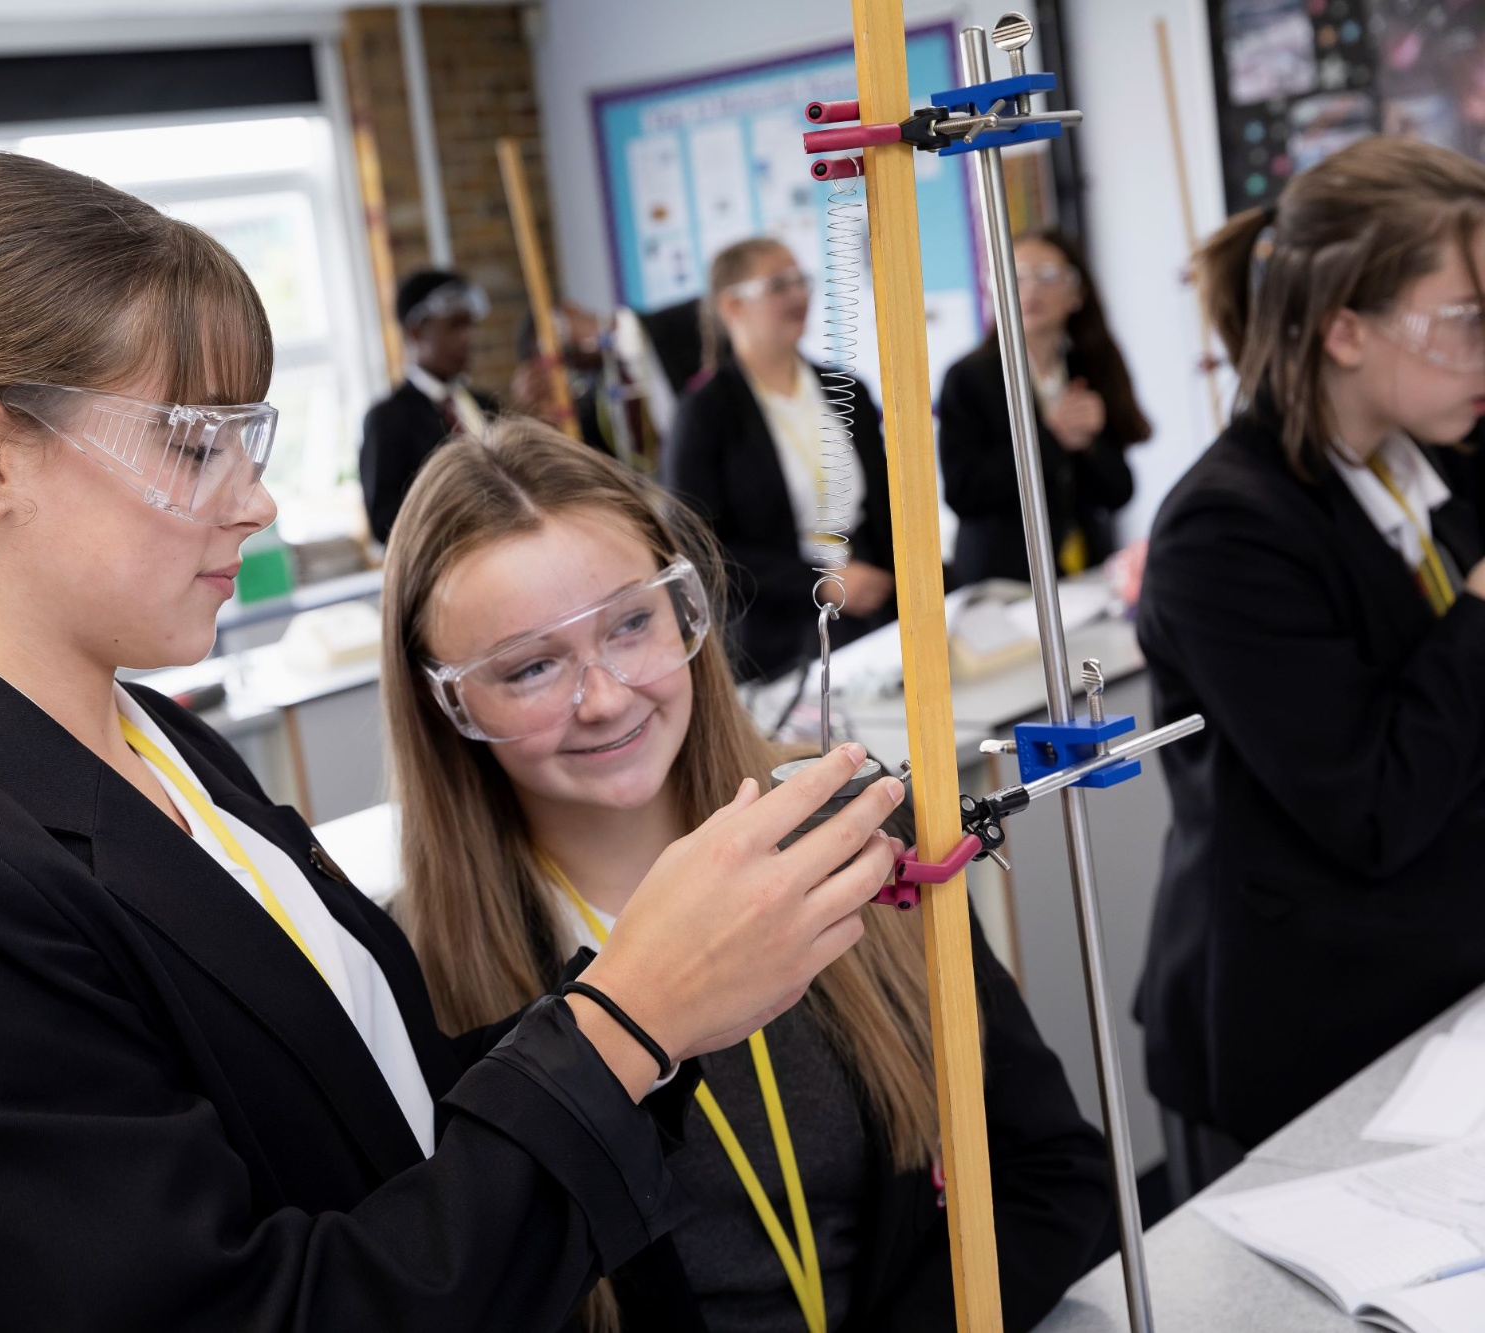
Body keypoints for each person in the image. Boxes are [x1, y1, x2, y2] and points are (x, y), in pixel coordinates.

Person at [0, 152, 909, 1331]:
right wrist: (628, 1017)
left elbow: (375, 1114)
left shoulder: (153, 744)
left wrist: (658, 1000)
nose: (251, 500)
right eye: (195, 443)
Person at [382, 420, 1112, 1333]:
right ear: (444, 701)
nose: (605, 695)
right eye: (531, 667)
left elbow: (1051, 1176)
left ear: (687, 609)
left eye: (633, 623)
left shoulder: (852, 823)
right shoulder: (412, 980)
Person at [1136, 136, 1485, 1195]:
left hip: (1439, 994)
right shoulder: (1223, 532)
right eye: (1466, 323)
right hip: (1301, 1033)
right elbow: (1370, 805)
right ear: (1343, 330)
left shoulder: (1438, 453)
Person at [664, 238, 895, 682]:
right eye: (778, 285)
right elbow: (699, 546)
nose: (798, 296)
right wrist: (819, 583)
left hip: (872, 609)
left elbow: (886, 502)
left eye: (800, 281)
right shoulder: (707, 412)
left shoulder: (845, 390)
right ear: (732, 305)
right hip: (776, 637)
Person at [938, 231, 1151, 587]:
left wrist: (1092, 443)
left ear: (1076, 292)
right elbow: (963, 493)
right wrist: (1051, 439)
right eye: (1016, 275)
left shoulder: (1090, 367)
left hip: (1084, 571)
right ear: (994, 289)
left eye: (1047, 276)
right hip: (1001, 581)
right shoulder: (968, 377)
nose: (1031, 290)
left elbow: (1118, 493)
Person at [358, 268, 499, 544]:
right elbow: (382, 522)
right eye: (455, 325)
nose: (468, 337)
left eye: (470, 325)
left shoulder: (485, 405)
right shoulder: (388, 418)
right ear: (417, 330)